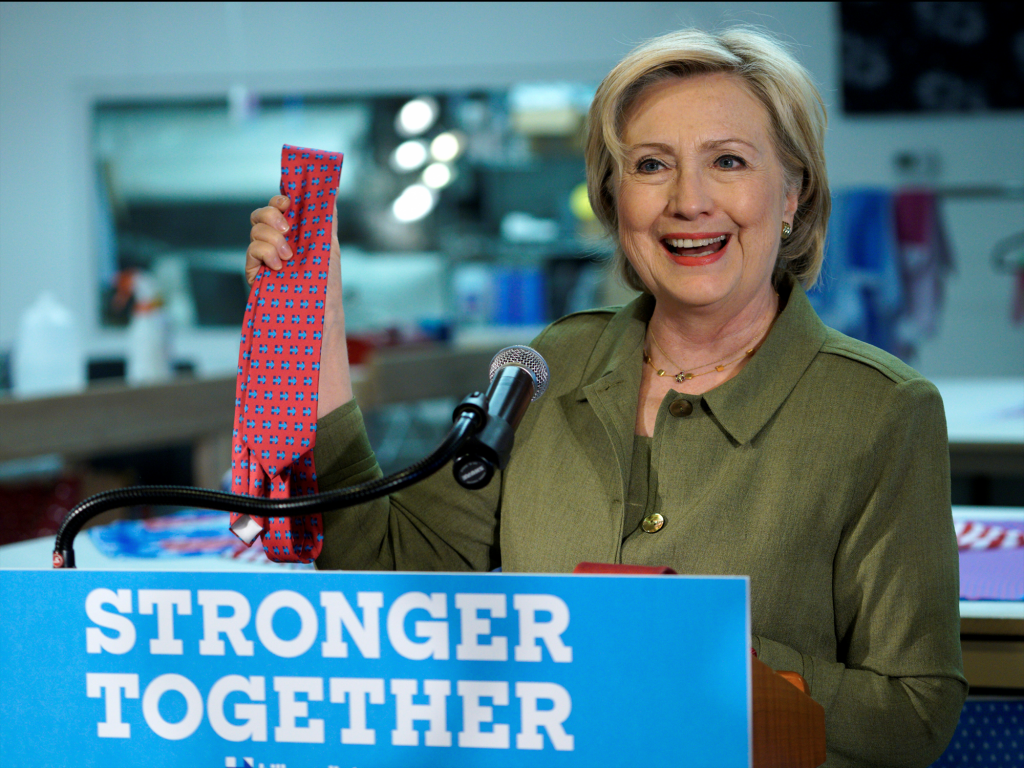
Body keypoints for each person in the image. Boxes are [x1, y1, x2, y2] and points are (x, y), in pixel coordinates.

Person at [245, 27, 966, 768]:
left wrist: (709, 644)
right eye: (652, 165)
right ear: (615, 201)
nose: (689, 201)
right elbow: (386, 570)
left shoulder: (883, 411)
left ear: (792, 194)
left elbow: (913, 717)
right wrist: (317, 321)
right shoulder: (553, 364)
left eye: (728, 161)